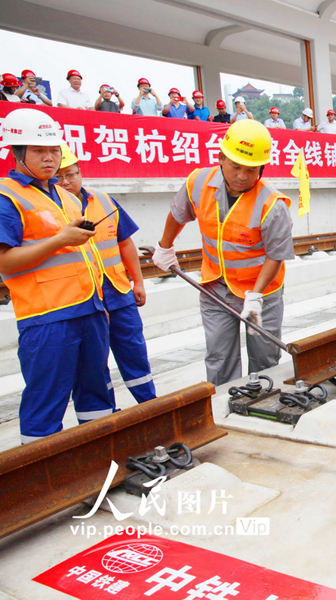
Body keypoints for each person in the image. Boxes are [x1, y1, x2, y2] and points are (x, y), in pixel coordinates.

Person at [0, 108, 114, 444]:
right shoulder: (7, 197)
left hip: (89, 309)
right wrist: (60, 240)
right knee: (46, 401)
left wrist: (99, 304)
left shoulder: (65, 196)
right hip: (47, 317)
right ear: (17, 152)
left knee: (97, 393)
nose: (49, 158)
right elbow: (5, 263)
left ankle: (98, 456)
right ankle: (41, 470)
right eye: (38, 151)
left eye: (53, 150)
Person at [152, 119, 294, 385]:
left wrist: (256, 296)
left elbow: (276, 255)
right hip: (216, 286)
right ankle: (225, 404)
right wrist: (164, 247)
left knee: (265, 360)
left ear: (262, 168)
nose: (242, 176)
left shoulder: (272, 204)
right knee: (219, 359)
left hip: (261, 293)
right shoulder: (198, 182)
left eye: (251, 170)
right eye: (235, 166)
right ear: (221, 158)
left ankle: (263, 399)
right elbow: (178, 213)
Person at [56, 143, 156, 404]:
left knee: (134, 354)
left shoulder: (103, 200)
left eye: (71, 174)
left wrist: (138, 282)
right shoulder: (50, 210)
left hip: (118, 293)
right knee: (92, 366)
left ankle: (150, 407)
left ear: (80, 173)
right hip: (82, 300)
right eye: (58, 176)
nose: (65, 182)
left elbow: (125, 244)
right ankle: (104, 418)